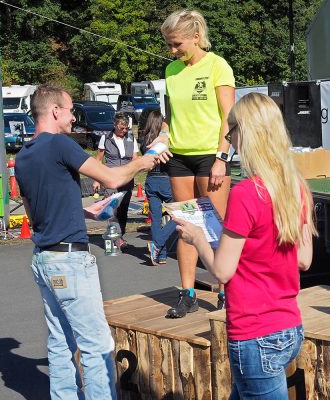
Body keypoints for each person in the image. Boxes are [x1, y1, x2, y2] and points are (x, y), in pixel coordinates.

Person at [15, 84, 162, 399]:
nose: (73, 118)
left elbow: (33, 210)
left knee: (60, 344)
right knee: (97, 345)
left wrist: (83, 210)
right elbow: (111, 178)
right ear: (55, 111)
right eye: (69, 111)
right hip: (69, 260)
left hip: (44, 257)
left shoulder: (25, 155)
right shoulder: (60, 145)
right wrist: (143, 161)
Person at [174, 92, 317, 399]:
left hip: (255, 333)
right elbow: (303, 259)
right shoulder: (297, 186)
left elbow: (222, 271)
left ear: (246, 133)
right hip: (289, 326)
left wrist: (198, 237)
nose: (230, 139)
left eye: (232, 131)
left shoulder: (247, 193)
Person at [157, 9, 235, 316]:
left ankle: (227, 292)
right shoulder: (172, 71)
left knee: (218, 228)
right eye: (169, 45)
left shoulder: (218, 66)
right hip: (179, 157)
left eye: (177, 44)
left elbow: (230, 118)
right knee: (185, 226)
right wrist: (162, 139)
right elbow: (171, 117)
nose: (172, 50)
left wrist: (221, 158)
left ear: (196, 36)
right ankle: (188, 293)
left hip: (209, 156)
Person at [93, 112, 140, 249]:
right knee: (112, 208)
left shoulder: (131, 138)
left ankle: (120, 235)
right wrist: (97, 179)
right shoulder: (106, 138)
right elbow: (98, 160)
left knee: (123, 209)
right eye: (121, 128)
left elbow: (135, 158)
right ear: (115, 125)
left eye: (126, 128)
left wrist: (135, 170)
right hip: (110, 177)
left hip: (126, 178)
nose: (124, 131)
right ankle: (117, 238)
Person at [141, 109, 177, 265]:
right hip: (165, 179)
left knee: (155, 219)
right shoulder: (165, 140)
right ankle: (159, 243)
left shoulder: (145, 139)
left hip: (150, 180)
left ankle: (160, 255)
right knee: (179, 215)